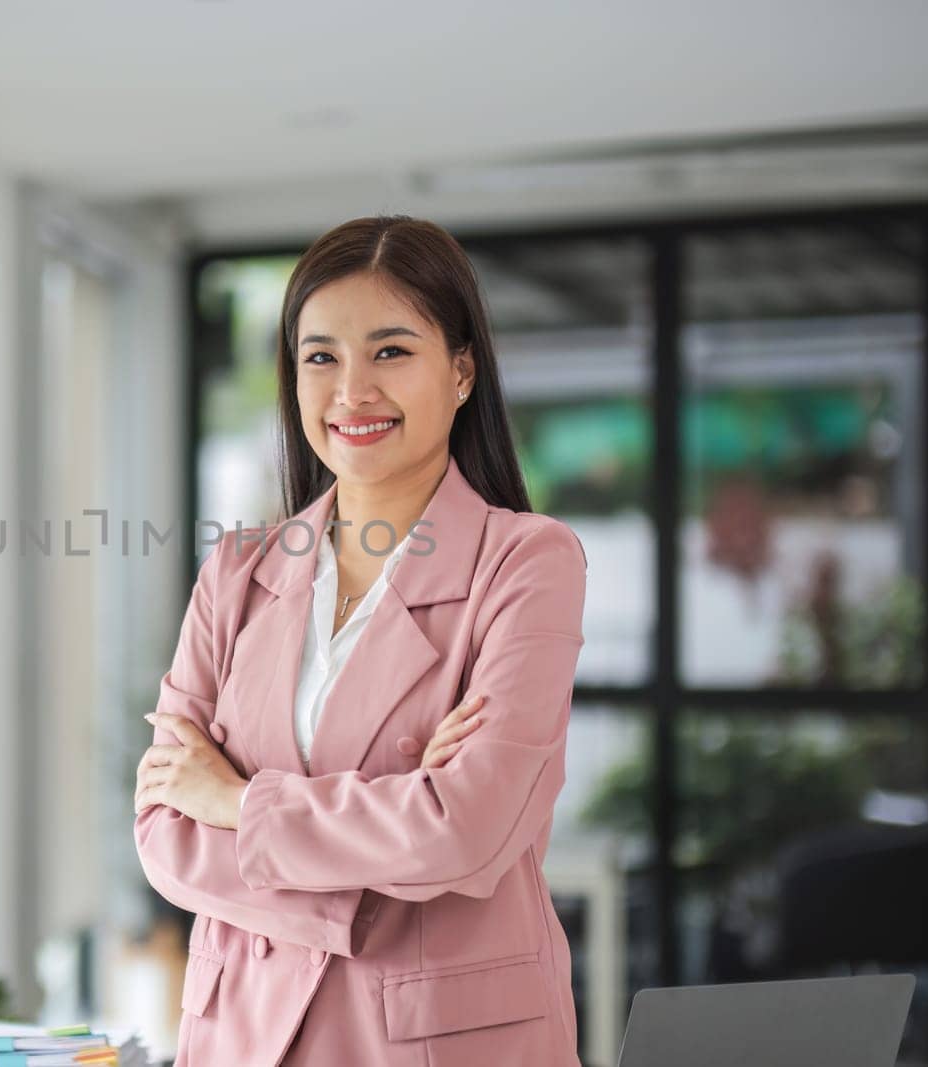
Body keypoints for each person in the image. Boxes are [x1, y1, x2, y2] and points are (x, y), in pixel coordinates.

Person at [132, 214, 588, 1066]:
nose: (351, 391)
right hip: (244, 1036)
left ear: (460, 371)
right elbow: (163, 828)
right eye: (320, 357)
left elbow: (464, 826)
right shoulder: (236, 571)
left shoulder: (527, 562)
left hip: (432, 1043)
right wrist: (391, 832)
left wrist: (234, 800)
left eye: (390, 351)